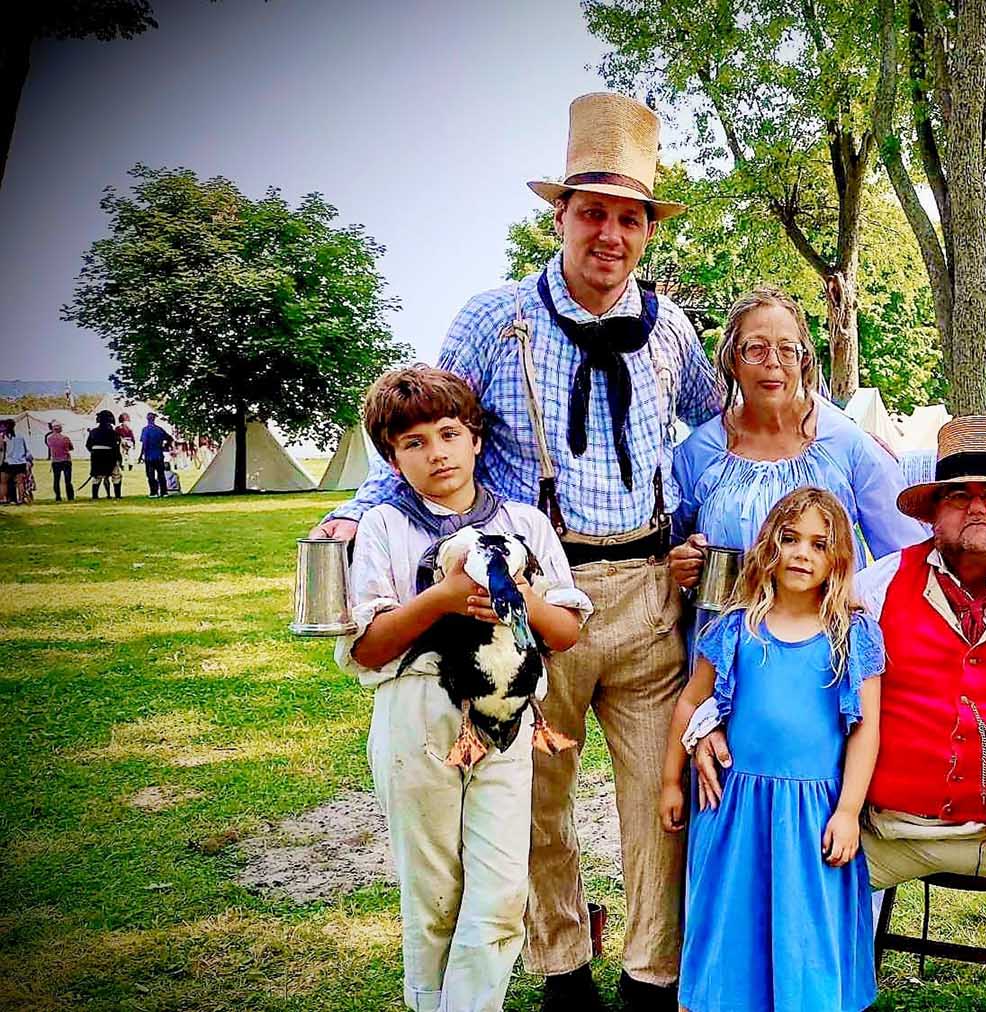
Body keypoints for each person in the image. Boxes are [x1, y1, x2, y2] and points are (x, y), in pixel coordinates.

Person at [311, 93, 720, 1011]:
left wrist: (743, 507)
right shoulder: (494, 318)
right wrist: (352, 514)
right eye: (592, 213)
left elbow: (714, 431)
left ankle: (653, 976)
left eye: (629, 219)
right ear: (560, 216)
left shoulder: (672, 329)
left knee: (658, 802)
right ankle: (562, 969)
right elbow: (424, 430)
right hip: (529, 592)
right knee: (534, 793)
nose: (610, 235)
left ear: (649, 231)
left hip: (649, 588)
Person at [694, 416, 986, 1012]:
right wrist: (708, 721)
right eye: (957, 496)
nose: (976, 507)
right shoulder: (878, 587)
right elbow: (780, 650)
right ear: (931, 513)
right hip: (887, 829)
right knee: (762, 875)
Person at [340, 366, 592, 1012]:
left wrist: (521, 598)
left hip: (505, 717)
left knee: (503, 887)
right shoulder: (384, 528)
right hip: (417, 710)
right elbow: (367, 646)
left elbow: (566, 630)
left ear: (476, 439)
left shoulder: (524, 522)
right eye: (414, 442)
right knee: (433, 891)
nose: (437, 453)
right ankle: (432, 1001)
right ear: (392, 459)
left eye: (449, 434)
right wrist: (443, 598)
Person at [660, 487, 883, 1012]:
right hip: (734, 808)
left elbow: (865, 730)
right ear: (768, 546)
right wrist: (671, 780)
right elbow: (690, 701)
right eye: (790, 539)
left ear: (838, 558)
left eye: (819, 544)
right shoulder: (736, 629)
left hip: (812, 813)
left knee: (807, 931)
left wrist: (847, 811)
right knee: (732, 923)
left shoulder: (851, 636)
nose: (802, 554)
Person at [672, 287, 924, 582]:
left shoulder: (849, 444)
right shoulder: (698, 453)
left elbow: (906, 561)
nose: (773, 362)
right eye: (756, 348)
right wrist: (680, 562)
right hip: (724, 613)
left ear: (804, 361)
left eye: (787, 349)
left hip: (831, 614)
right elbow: (664, 549)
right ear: (732, 360)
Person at [86, 410, 122, 500]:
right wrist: (119, 458)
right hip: (110, 456)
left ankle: (95, 496)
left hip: (96, 456)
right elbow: (116, 447)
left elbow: (88, 445)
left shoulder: (93, 432)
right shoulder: (113, 433)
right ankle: (117, 495)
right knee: (116, 475)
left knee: (97, 476)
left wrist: (94, 452)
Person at [139, 412, 173, 498]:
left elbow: (144, 444)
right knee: (161, 474)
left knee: (150, 475)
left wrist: (141, 455)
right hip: (159, 455)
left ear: (147, 419)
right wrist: (165, 446)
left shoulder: (145, 430)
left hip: (149, 456)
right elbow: (170, 438)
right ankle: (164, 492)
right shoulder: (159, 429)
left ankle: (153, 492)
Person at [0, 419, 30, 504]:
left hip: (8, 462)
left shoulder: (3, 436)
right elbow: (25, 449)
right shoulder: (20, 435)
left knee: (3, 483)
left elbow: (1, 448)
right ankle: (20, 499)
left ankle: (3, 499)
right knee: (20, 483)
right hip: (20, 462)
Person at [45, 421, 75, 502]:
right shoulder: (65, 438)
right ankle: (70, 497)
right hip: (66, 460)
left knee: (56, 480)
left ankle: (58, 497)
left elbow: (50, 446)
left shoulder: (49, 439)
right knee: (68, 480)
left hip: (55, 461)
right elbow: (71, 447)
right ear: (60, 429)